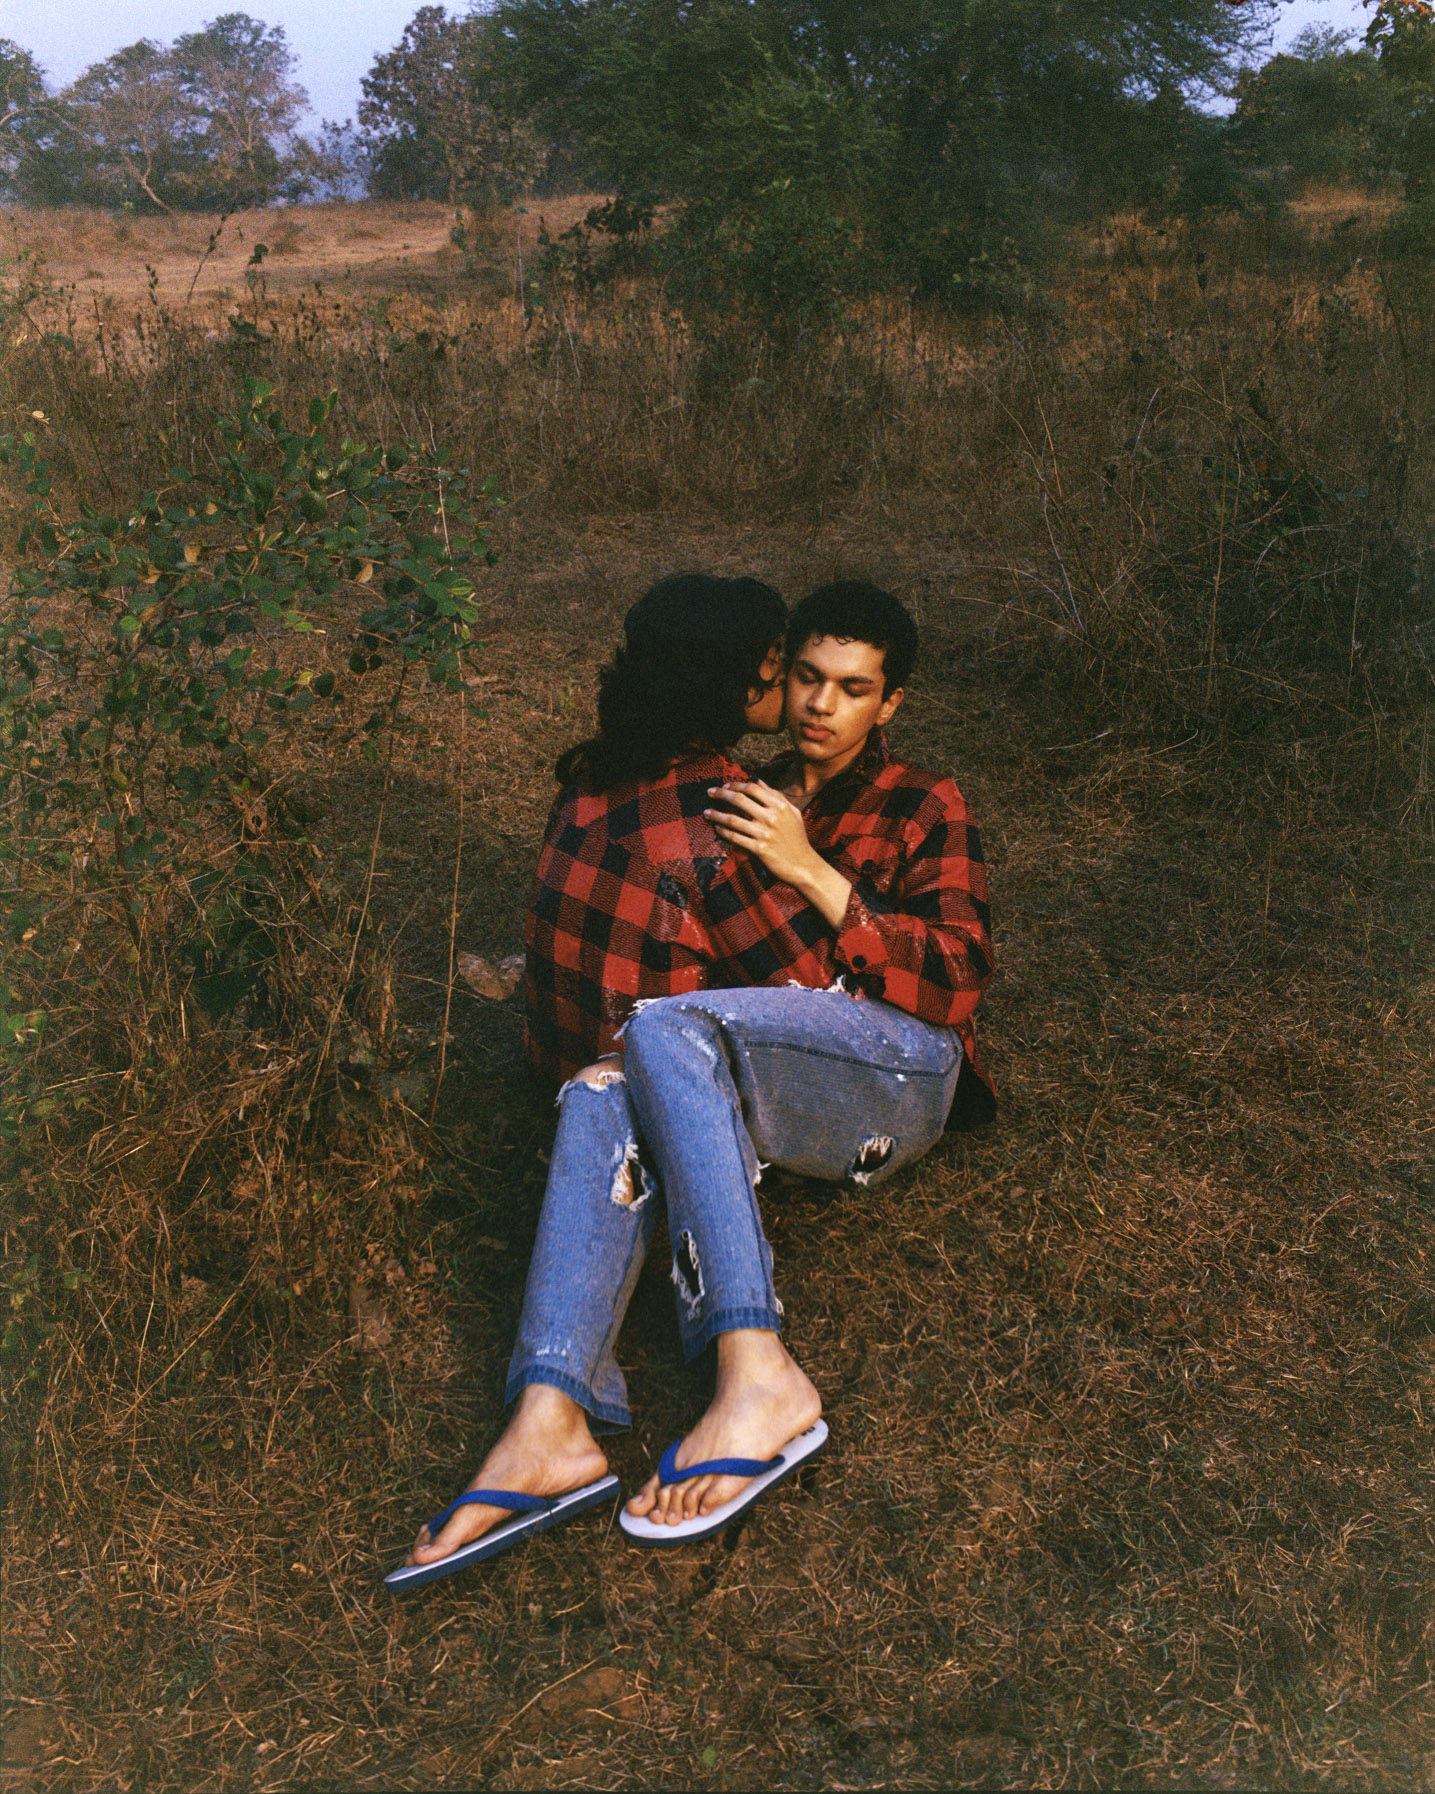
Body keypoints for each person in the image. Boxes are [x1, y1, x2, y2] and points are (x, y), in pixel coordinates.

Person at [390, 579, 993, 1584]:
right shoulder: (730, 791)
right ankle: (549, 1418)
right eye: (801, 677)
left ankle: (756, 1370)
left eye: (850, 689)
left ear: (888, 705)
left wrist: (815, 874)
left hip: (902, 1067)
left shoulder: (919, 802)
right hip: (753, 1062)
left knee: (657, 1028)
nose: (815, 705)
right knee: (604, 1079)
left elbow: (952, 983)